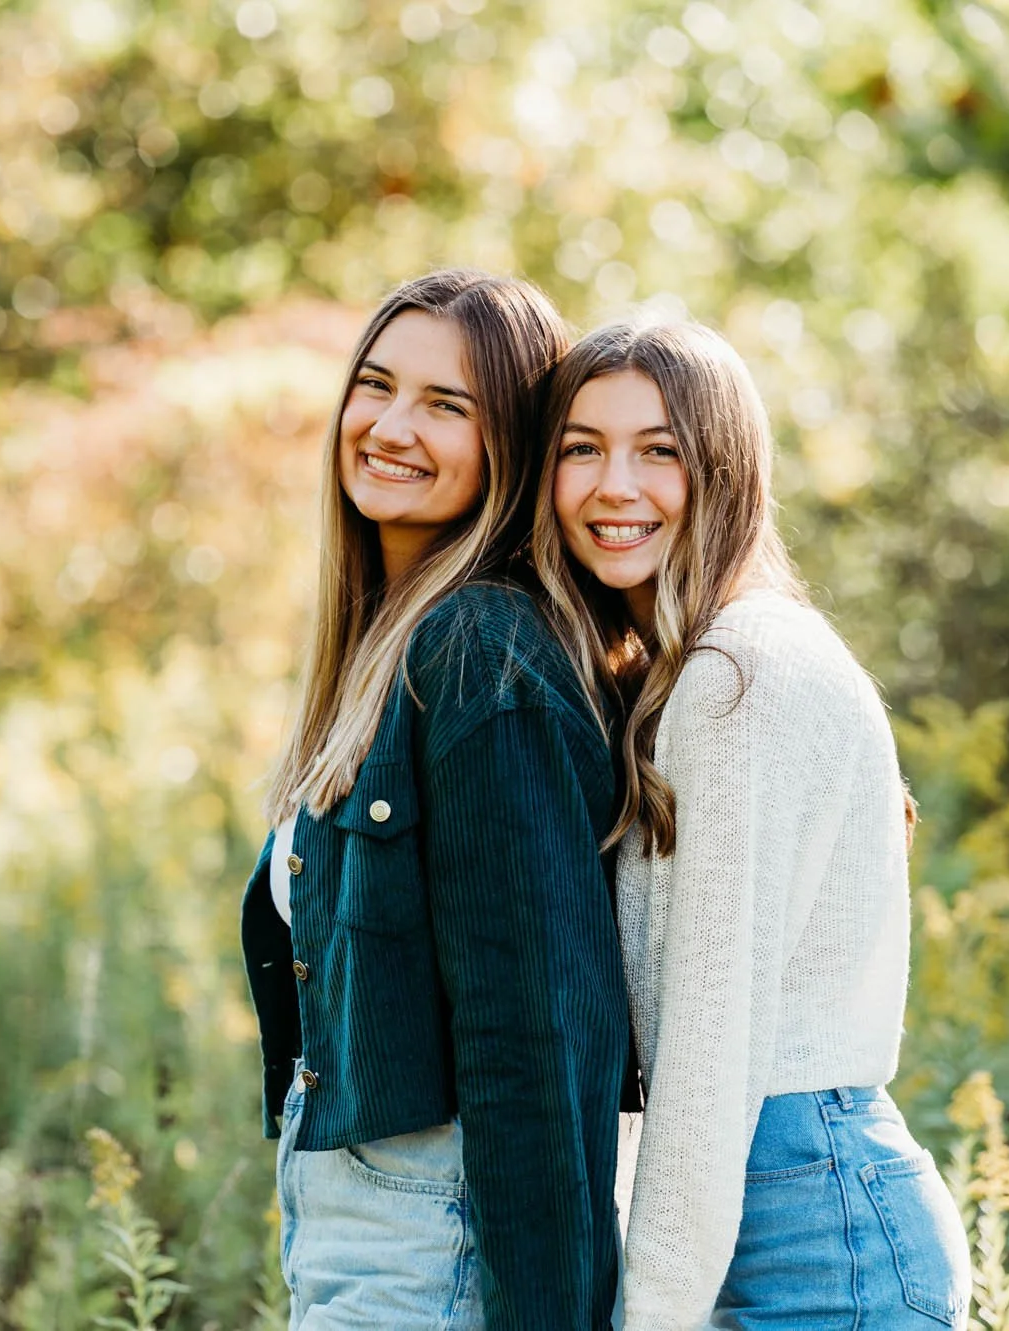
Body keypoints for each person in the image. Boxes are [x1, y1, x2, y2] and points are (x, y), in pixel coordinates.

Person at [531, 319, 971, 1329]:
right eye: (580, 448)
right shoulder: (700, 665)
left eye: (659, 450)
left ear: (723, 469)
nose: (613, 484)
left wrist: (651, 1309)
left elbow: (709, 1033)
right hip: (787, 1209)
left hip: (819, 1239)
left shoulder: (737, 675)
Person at [241, 269, 631, 1329]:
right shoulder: (391, 645)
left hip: (437, 1233)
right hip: (358, 1216)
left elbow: (537, 1031)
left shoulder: (477, 654)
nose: (390, 426)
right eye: (376, 385)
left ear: (509, 441)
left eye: (445, 405)